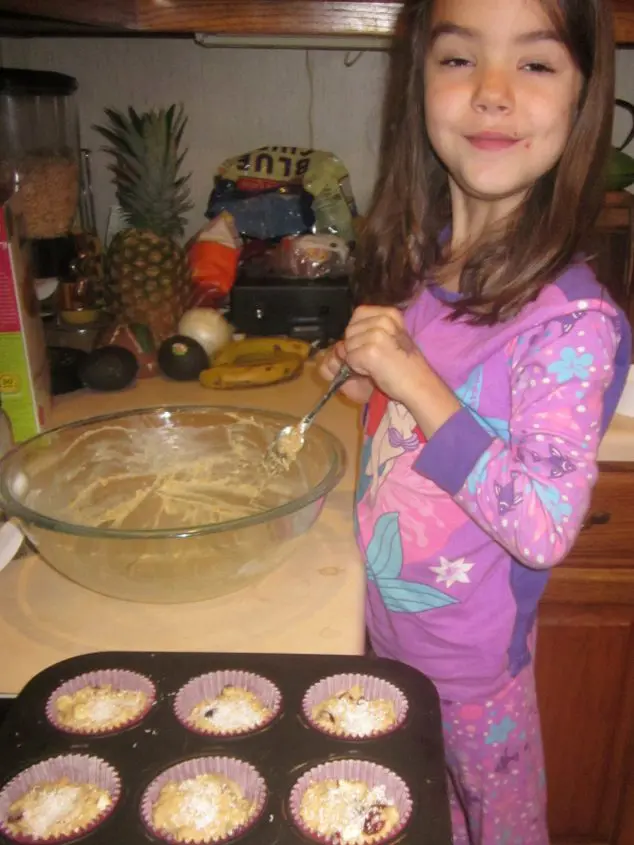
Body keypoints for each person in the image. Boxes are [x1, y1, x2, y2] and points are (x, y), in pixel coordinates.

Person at [319, 0, 632, 842]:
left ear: (583, 96)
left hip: (472, 682)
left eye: (534, 64)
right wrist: (365, 385)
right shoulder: (427, 266)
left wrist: (412, 379)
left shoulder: (572, 323)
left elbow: (541, 522)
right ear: (417, 82)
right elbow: (419, 430)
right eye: (459, 59)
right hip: (381, 636)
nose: (492, 93)